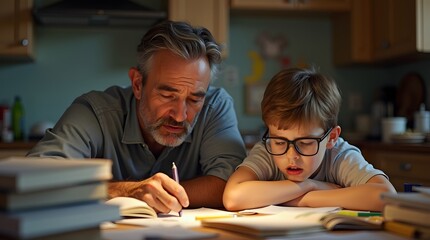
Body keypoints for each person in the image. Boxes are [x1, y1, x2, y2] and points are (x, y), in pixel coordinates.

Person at [27, 20, 247, 213]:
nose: (180, 116)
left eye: (194, 99)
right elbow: (33, 179)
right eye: (167, 95)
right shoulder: (95, 112)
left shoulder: (215, 106)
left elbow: (232, 185)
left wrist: (157, 195)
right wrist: (125, 191)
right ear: (138, 84)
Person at [223, 67, 396, 212]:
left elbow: (386, 196)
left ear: (331, 137)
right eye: (280, 142)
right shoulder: (267, 150)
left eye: (305, 143)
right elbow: (232, 197)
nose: (291, 156)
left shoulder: (339, 155)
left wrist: (306, 198)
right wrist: (307, 186)